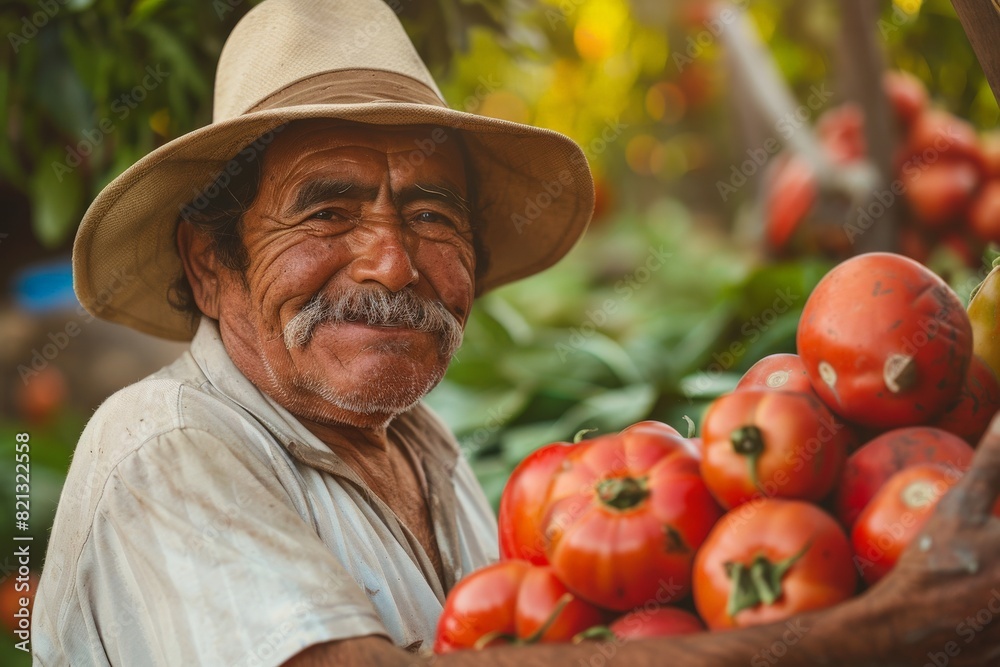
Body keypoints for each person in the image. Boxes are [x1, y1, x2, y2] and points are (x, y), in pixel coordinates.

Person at [33, 0, 1000, 665]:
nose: (392, 263)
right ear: (211, 261)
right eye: (326, 213)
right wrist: (873, 632)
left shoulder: (427, 444)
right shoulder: (165, 445)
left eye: (430, 214)